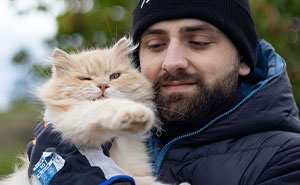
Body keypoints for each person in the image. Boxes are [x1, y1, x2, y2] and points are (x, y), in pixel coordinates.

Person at [26, 0, 300, 185]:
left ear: (243, 59)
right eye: (156, 45)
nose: (172, 62)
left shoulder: (288, 160)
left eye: (198, 42)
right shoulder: (120, 132)